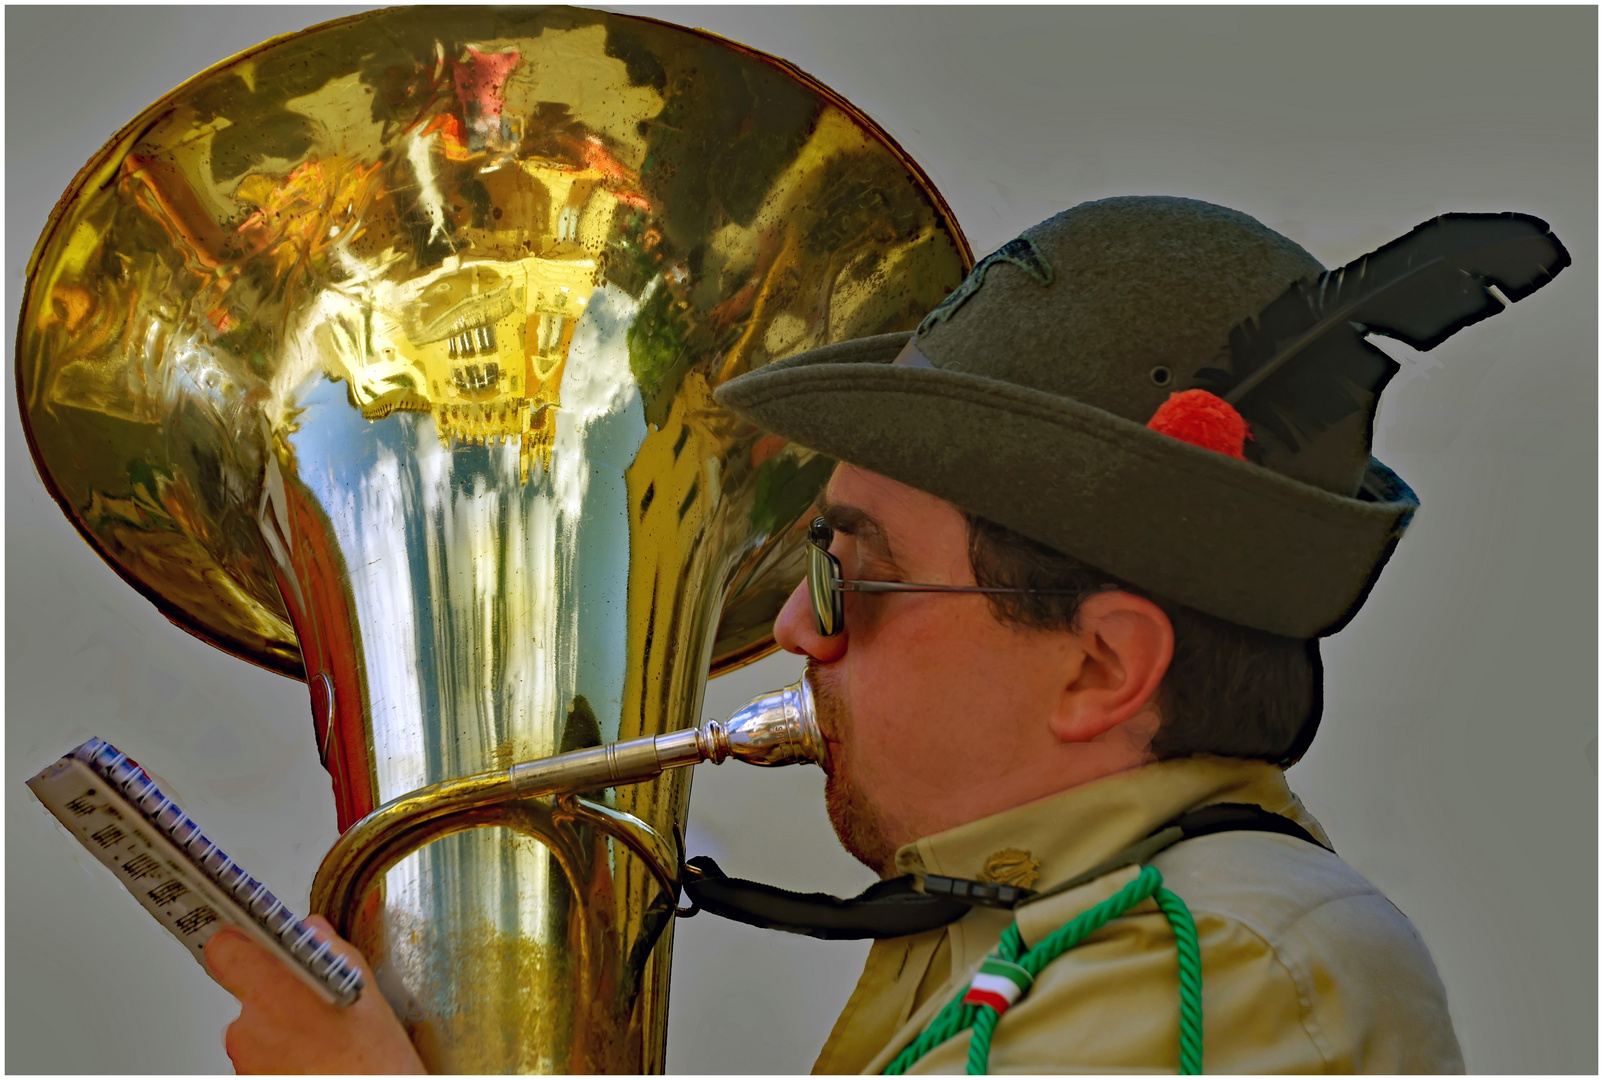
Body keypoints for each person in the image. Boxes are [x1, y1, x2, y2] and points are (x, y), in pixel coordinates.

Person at [211, 195, 1562, 1072]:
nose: (796, 625)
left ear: (1102, 667)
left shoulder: (1229, 958)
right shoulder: (1001, 928)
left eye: (857, 574)